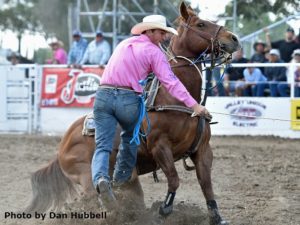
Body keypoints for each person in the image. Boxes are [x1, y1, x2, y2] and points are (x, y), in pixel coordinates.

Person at [91, 15, 209, 208]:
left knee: (102, 145)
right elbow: (171, 83)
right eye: (161, 32)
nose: (163, 37)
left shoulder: (124, 44)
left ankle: (100, 180)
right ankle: (119, 182)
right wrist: (195, 106)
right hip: (128, 99)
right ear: (150, 31)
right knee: (130, 139)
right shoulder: (154, 53)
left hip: (102, 96)